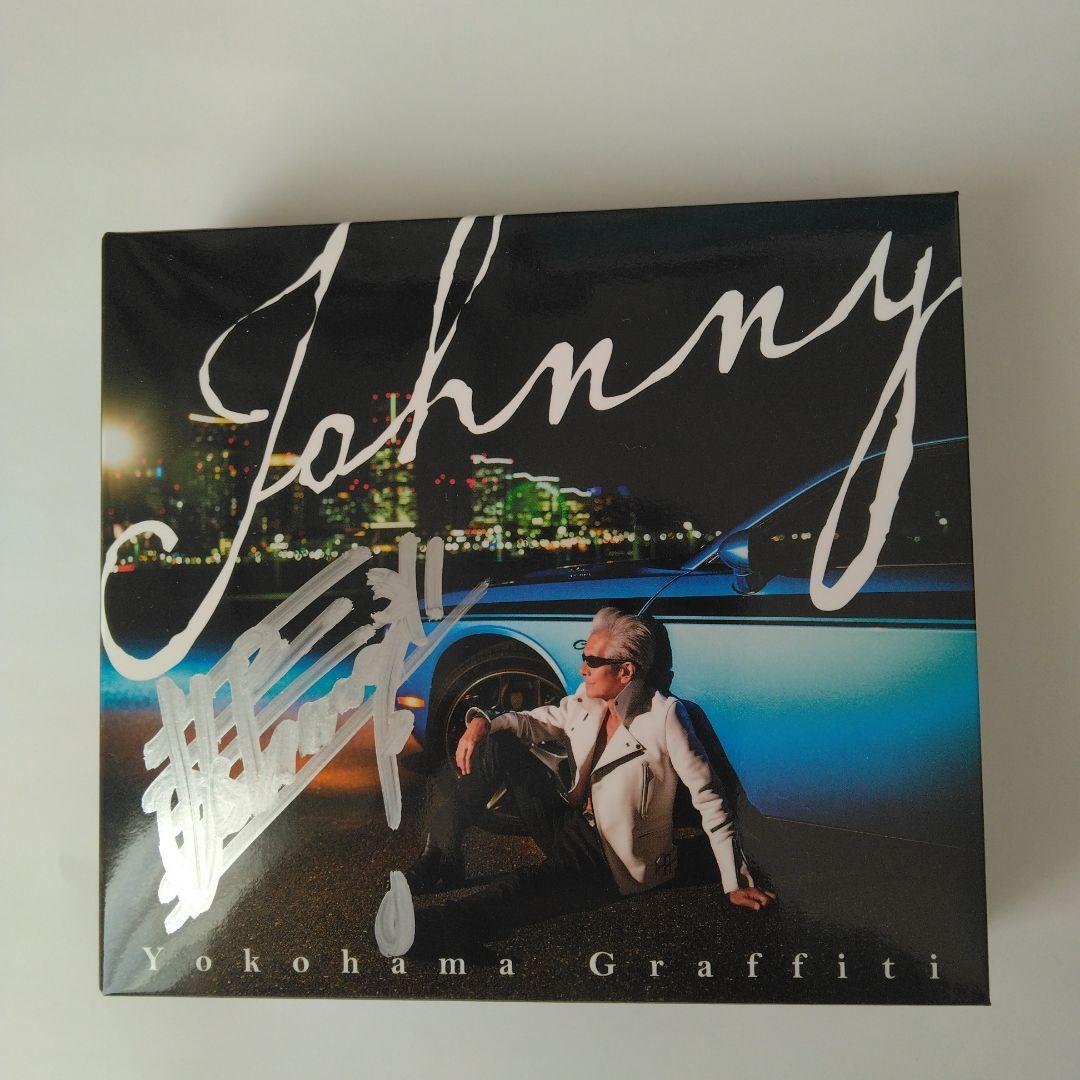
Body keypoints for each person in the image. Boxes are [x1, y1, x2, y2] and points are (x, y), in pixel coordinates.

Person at [406, 607, 774, 949]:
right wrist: (481, 723)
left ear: (625, 672)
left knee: (523, 887)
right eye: (584, 655)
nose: (582, 669)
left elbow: (710, 799)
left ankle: (432, 927)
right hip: (572, 823)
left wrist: (736, 883)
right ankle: (441, 854)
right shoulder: (590, 698)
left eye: (593, 662)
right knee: (500, 741)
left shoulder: (665, 717)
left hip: (609, 858)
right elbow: (531, 721)